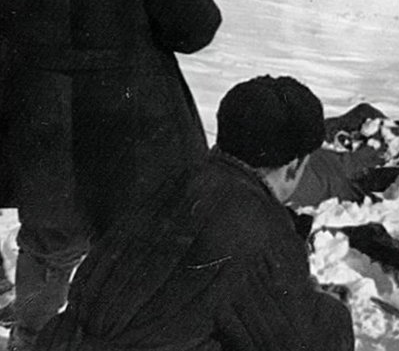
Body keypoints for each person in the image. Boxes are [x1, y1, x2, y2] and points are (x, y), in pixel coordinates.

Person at [0, 0, 222, 347]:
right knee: (133, 248)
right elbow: (195, 27)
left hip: (39, 119)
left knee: (48, 244)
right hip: (133, 125)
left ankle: (31, 340)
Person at [36, 75, 355, 351]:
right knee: (331, 321)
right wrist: (330, 311)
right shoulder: (259, 226)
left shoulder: (169, 181)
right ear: (294, 166)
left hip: (63, 341)